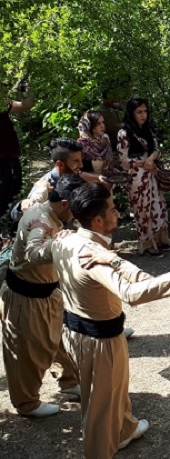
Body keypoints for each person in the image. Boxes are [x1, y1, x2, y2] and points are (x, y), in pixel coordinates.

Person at [50, 183, 170, 459]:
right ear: (98, 220)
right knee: (99, 404)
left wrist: (113, 259)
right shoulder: (93, 255)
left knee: (114, 388)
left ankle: (124, 429)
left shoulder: (65, 239)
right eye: (112, 208)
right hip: (98, 338)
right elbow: (133, 292)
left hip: (78, 330)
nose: (117, 211)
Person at [1, 176, 84, 418]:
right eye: (76, 210)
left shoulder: (46, 203)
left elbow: (41, 185)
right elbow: (35, 252)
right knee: (26, 354)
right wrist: (65, 244)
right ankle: (27, 403)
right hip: (25, 298)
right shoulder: (41, 222)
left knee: (59, 341)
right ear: (66, 203)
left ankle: (69, 381)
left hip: (48, 292)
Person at [118, 97, 170, 256]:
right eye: (139, 112)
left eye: (145, 111)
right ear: (131, 113)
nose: (143, 115)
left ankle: (160, 239)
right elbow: (123, 160)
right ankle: (147, 244)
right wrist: (142, 163)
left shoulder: (148, 130)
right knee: (143, 210)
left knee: (158, 207)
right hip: (137, 178)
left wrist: (150, 159)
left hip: (152, 174)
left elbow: (156, 150)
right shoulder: (124, 133)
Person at [12, 138, 109, 221]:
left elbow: (80, 173)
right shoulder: (45, 185)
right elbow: (21, 214)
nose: (81, 165)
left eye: (80, 160)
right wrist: (22, 205)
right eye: (76, 161)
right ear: (60, 164)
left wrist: (98, 178)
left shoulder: (72, 174)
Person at [1, 80, 34, 225]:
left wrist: (29, 89)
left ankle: (9, 220)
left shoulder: (3, 104)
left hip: (9, 154)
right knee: (5, 189)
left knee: (15, 186)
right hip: (2, 157)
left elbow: (26, 105)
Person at [77, 110, 114, 177]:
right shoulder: (82, 145)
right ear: (89, 125)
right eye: (98, 123)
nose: (102, 126)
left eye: (103, 122)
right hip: (93, 184)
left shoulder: (105, 139)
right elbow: (79, 171)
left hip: (111, 179)